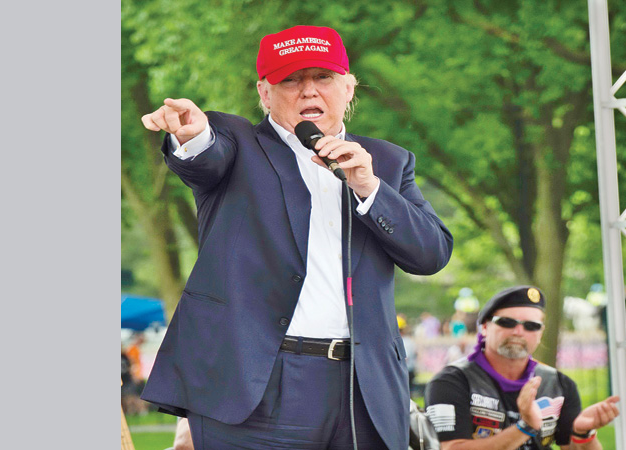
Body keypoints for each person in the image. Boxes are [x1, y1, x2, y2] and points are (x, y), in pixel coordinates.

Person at [139, 24, 454, 450]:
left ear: (348, 87)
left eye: (322, 78)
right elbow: (205, 156)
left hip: (362, 387)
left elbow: (431, 254)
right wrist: (192, 136)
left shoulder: (389, 162)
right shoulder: (237, 141)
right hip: (257, 386)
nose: (308, 92)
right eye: (291, 79)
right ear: (265, 94)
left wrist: (369, 188)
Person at [424, 286, 619, 449]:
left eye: (531, 326)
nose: (518, 331)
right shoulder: (450, 382)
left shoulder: (559, 384)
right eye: (507, 322)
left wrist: (583, 433)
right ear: (484, 327)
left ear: (541, 333)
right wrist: (524, 428)